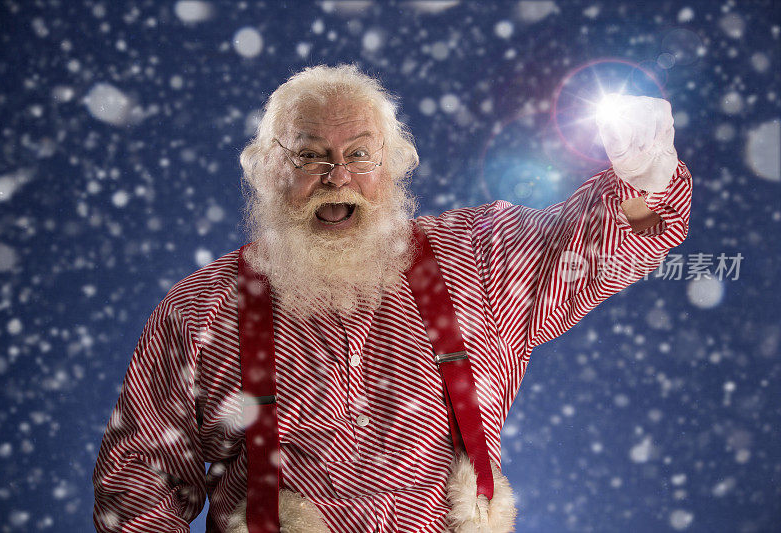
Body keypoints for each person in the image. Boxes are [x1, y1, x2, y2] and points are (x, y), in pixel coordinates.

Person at [93, 64, 692, 532]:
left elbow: (597, 241)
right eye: (309, 156)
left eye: (360, 153)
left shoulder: (475, 261)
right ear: (266, 169)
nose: (337, 176)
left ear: (394, 165)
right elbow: (139, 483)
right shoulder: (201, 311)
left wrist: (645, 174)